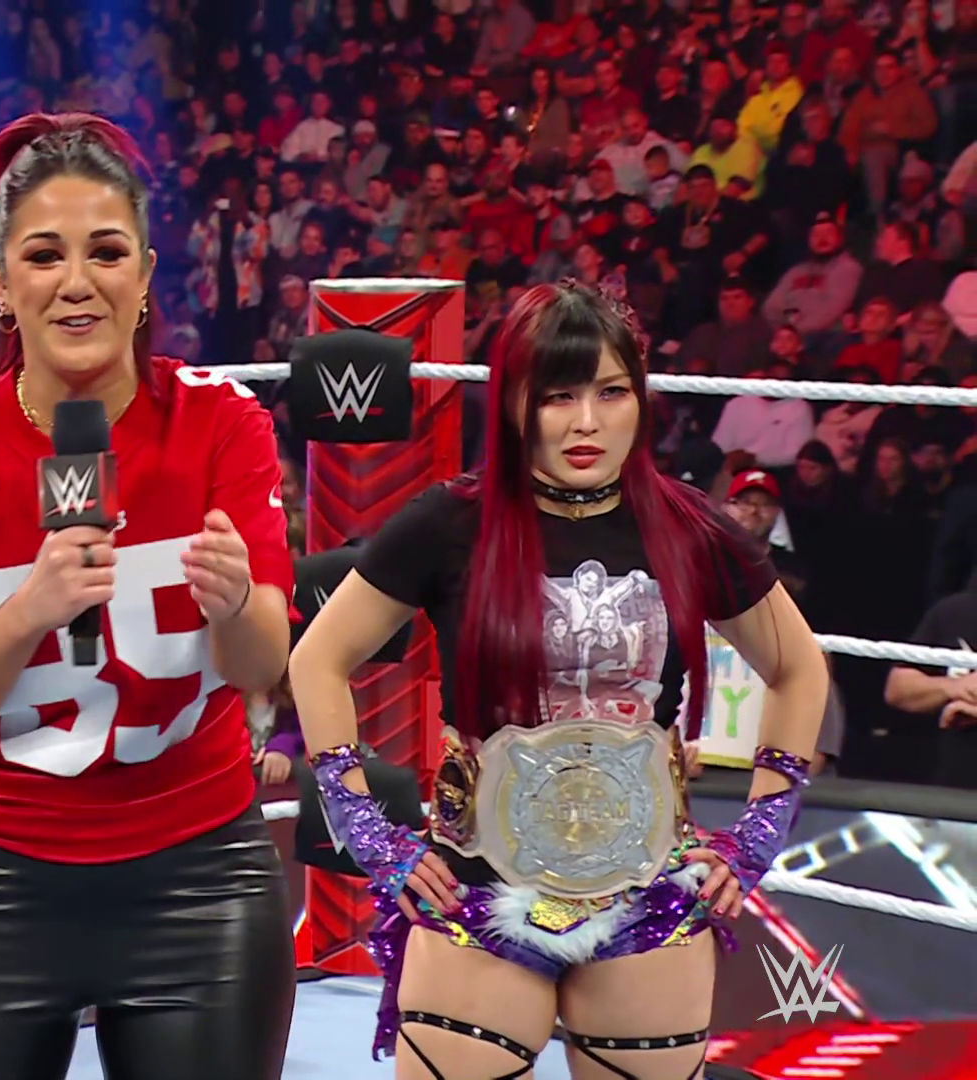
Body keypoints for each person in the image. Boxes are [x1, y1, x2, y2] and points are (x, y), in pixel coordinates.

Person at [289, 282, 828, 1080]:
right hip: (474, 890)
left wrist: (760, 833)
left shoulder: (689, 527)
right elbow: (317, 659)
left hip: (647, 892)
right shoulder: (450, 521)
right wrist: (369, 833)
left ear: (640, 399)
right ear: (514, 402)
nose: (586, 423)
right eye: (557, 396)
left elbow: (798, 665)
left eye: (610, 393)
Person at [0, 113, 297, 1080]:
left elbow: (263, 666)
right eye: (44, 255)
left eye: (106, 252)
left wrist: (234, 603)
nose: (76, 282)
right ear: (1, 282)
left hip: (198, 868)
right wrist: (30, 609)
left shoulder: (221, 422)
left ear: (144, 276)